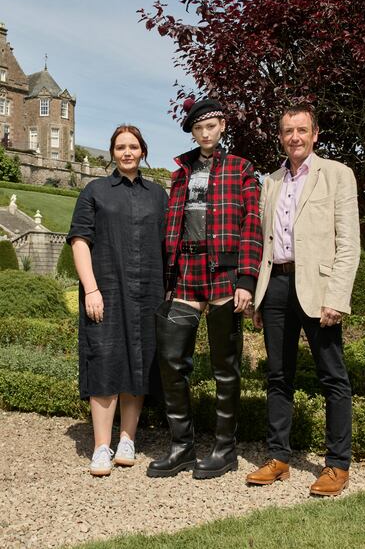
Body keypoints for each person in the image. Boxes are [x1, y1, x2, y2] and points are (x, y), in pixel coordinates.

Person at [246, 104, 360, 496]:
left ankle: (337, 465)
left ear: (315, 134)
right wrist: (260, 297)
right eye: (287, 130)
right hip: (276, 285)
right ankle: (278, 458)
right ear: (280, 136)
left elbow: (348, 243)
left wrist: (337, 296)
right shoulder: (270, 181)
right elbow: (264, 243)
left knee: (333, 377)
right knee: (278, 376)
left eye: (301, 130)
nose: (294, 136)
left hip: (318, 289)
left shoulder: (338, 175)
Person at [147, 97, 262, 479]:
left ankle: (224, 449)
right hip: (185, 274)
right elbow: (172, 228)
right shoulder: (180, 173)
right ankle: (181, 447)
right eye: (198, 128)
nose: (205, 133)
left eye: (210, 126)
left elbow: (251, 226)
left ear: (222, 126)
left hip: (224, 276)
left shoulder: (242, 169)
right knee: (172, 363)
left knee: (224, 368)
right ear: (193, 133)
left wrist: (246, 278)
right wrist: (168, 280)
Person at [67, 125, 168, 476]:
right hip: (105, 291)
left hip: (148, 292)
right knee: (106, 359)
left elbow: (166, 246)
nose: (127, 152)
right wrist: (91, 289)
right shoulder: (95, 191)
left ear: (143, 151)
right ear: (112, 152)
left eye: (133, 146)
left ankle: (127, 439)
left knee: (140, 360)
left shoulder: (158, 195)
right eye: (121, 147)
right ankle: (101, 446)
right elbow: (80, 241)